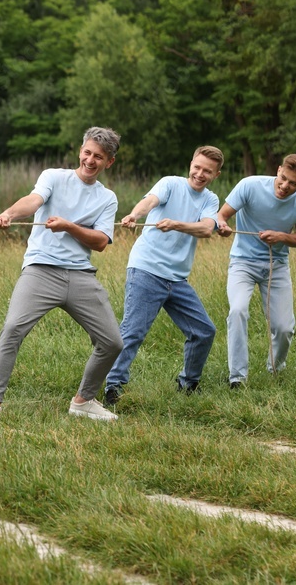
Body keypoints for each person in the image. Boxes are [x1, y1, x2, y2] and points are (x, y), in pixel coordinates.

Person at [0, 127, 124, 425]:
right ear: (80, 151)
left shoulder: (107, 198)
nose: (90, 160)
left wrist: (69, 226)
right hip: (40, 271)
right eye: (87, 152)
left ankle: (83, 402)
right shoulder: (53, 177)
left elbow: (100, 242)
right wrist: (9, 213)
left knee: (112, 342)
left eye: (98, 157)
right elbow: (33, 200)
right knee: (12, 329)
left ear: (109, 162)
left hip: (81, 276)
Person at [103, 146, 224, 406]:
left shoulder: (210, 200)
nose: (200, 174)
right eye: (198, 167)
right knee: (133, 331)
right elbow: (150, 201)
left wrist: (176, 224)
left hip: (177, 279)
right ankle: (113, 386)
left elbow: (205, 229)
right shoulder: (171, 183)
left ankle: (188, 384)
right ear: (191, 163)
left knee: (204, 331)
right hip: (146, 269)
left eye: (208, 171)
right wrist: (135, 214)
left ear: (216, 174)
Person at [216, 154, 296, 387]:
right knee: (238, 311)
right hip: (243, 263)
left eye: (293, 183)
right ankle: (237, 378)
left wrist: (281, 236)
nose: (285, 186)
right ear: (278, 170)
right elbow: (222, 215)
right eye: (283, 178)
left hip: (277, 266)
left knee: (284, 327)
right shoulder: (250, 185)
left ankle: (275, 368)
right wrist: (222, 226)